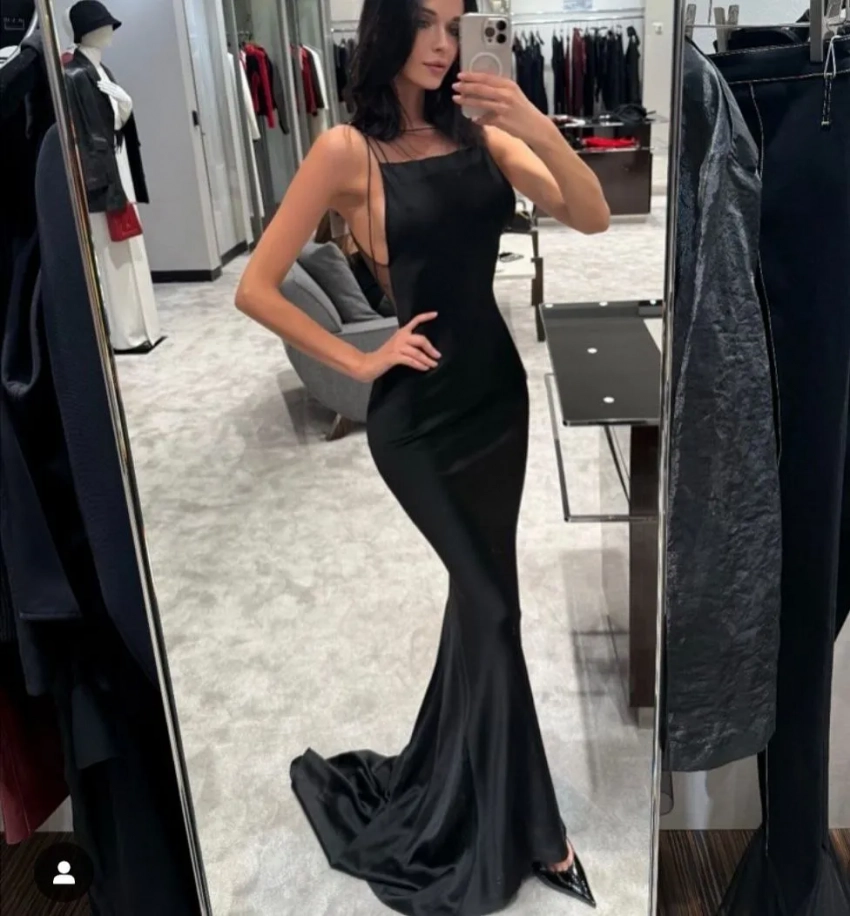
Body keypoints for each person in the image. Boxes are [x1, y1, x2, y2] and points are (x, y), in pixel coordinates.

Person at [235, 0, 610, 912]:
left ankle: (463, 774)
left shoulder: (482, 133)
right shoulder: (345, 151)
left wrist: (532, 121)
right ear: (389, 31)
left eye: (458, 23)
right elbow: (255, 286)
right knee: (493, 608)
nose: (446, 44)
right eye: (430, 24)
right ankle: (543, 834)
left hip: (497, 403)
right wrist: (360, 359)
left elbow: (593, 216)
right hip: (419, 423)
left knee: (483, 607)